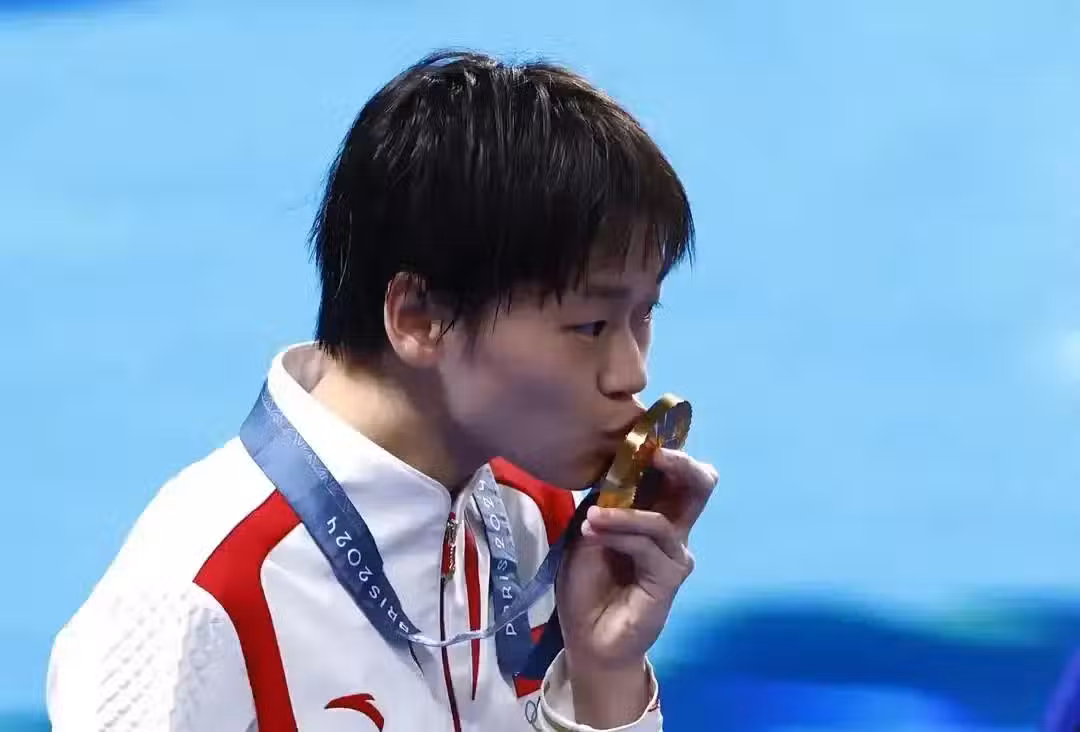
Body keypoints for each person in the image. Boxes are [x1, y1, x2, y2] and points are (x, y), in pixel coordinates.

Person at [45, 49, 718, 731]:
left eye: (644, 315)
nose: (631, 374)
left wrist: (604, 676)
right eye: (591, 325)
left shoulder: (545, 525)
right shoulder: (198, 596)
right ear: (420, 318)